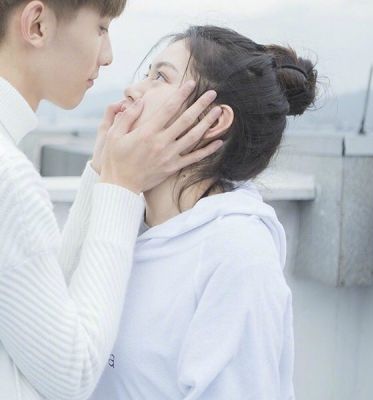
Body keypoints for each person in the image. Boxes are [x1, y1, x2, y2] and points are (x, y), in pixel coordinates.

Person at [0, 1, 223, 399]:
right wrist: (121, 186)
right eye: (101, 28)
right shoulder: (10, 178)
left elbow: (43, 310)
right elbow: (72, 375)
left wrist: (102, 174)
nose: (108, 56)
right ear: (37, 25)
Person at [89, 25, 318, 399]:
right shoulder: (124, 222)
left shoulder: (237, 252)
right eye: (147, 74)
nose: (132, 90)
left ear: (213, 120)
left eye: (160, 77)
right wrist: (102, 178)